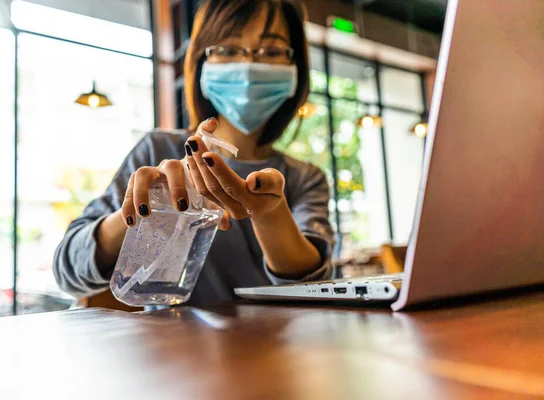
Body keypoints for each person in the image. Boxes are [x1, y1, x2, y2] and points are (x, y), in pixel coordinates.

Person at [53, 0, 334, 306]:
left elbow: (315, 285)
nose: (249, 64)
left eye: (271, 50)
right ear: (201, 61)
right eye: (228, 49)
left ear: (296, 68)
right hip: (173, 348)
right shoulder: (158, 151)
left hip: (277, 348)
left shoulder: (304, 178)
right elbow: (68, 270)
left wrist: (268, 214)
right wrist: (143, 209)